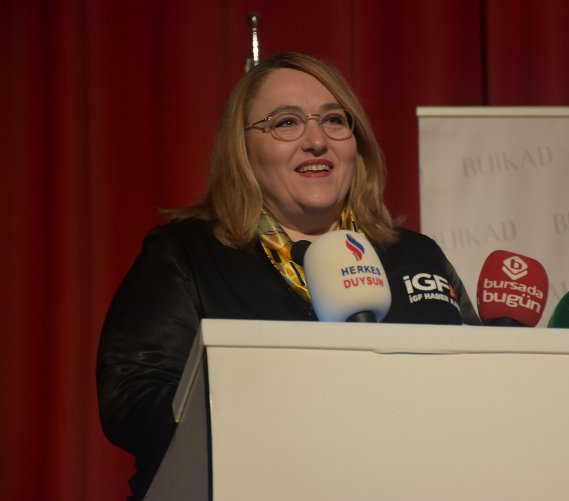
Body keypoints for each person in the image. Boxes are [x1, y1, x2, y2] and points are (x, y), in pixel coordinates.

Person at [96, 51, 479, 500]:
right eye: (286, 123)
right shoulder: (187, 253)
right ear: (243, 149)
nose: (317, 141)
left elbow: (477, 381)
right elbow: (130, 398)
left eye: (334, 120)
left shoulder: (416, 256)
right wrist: (264, 409)